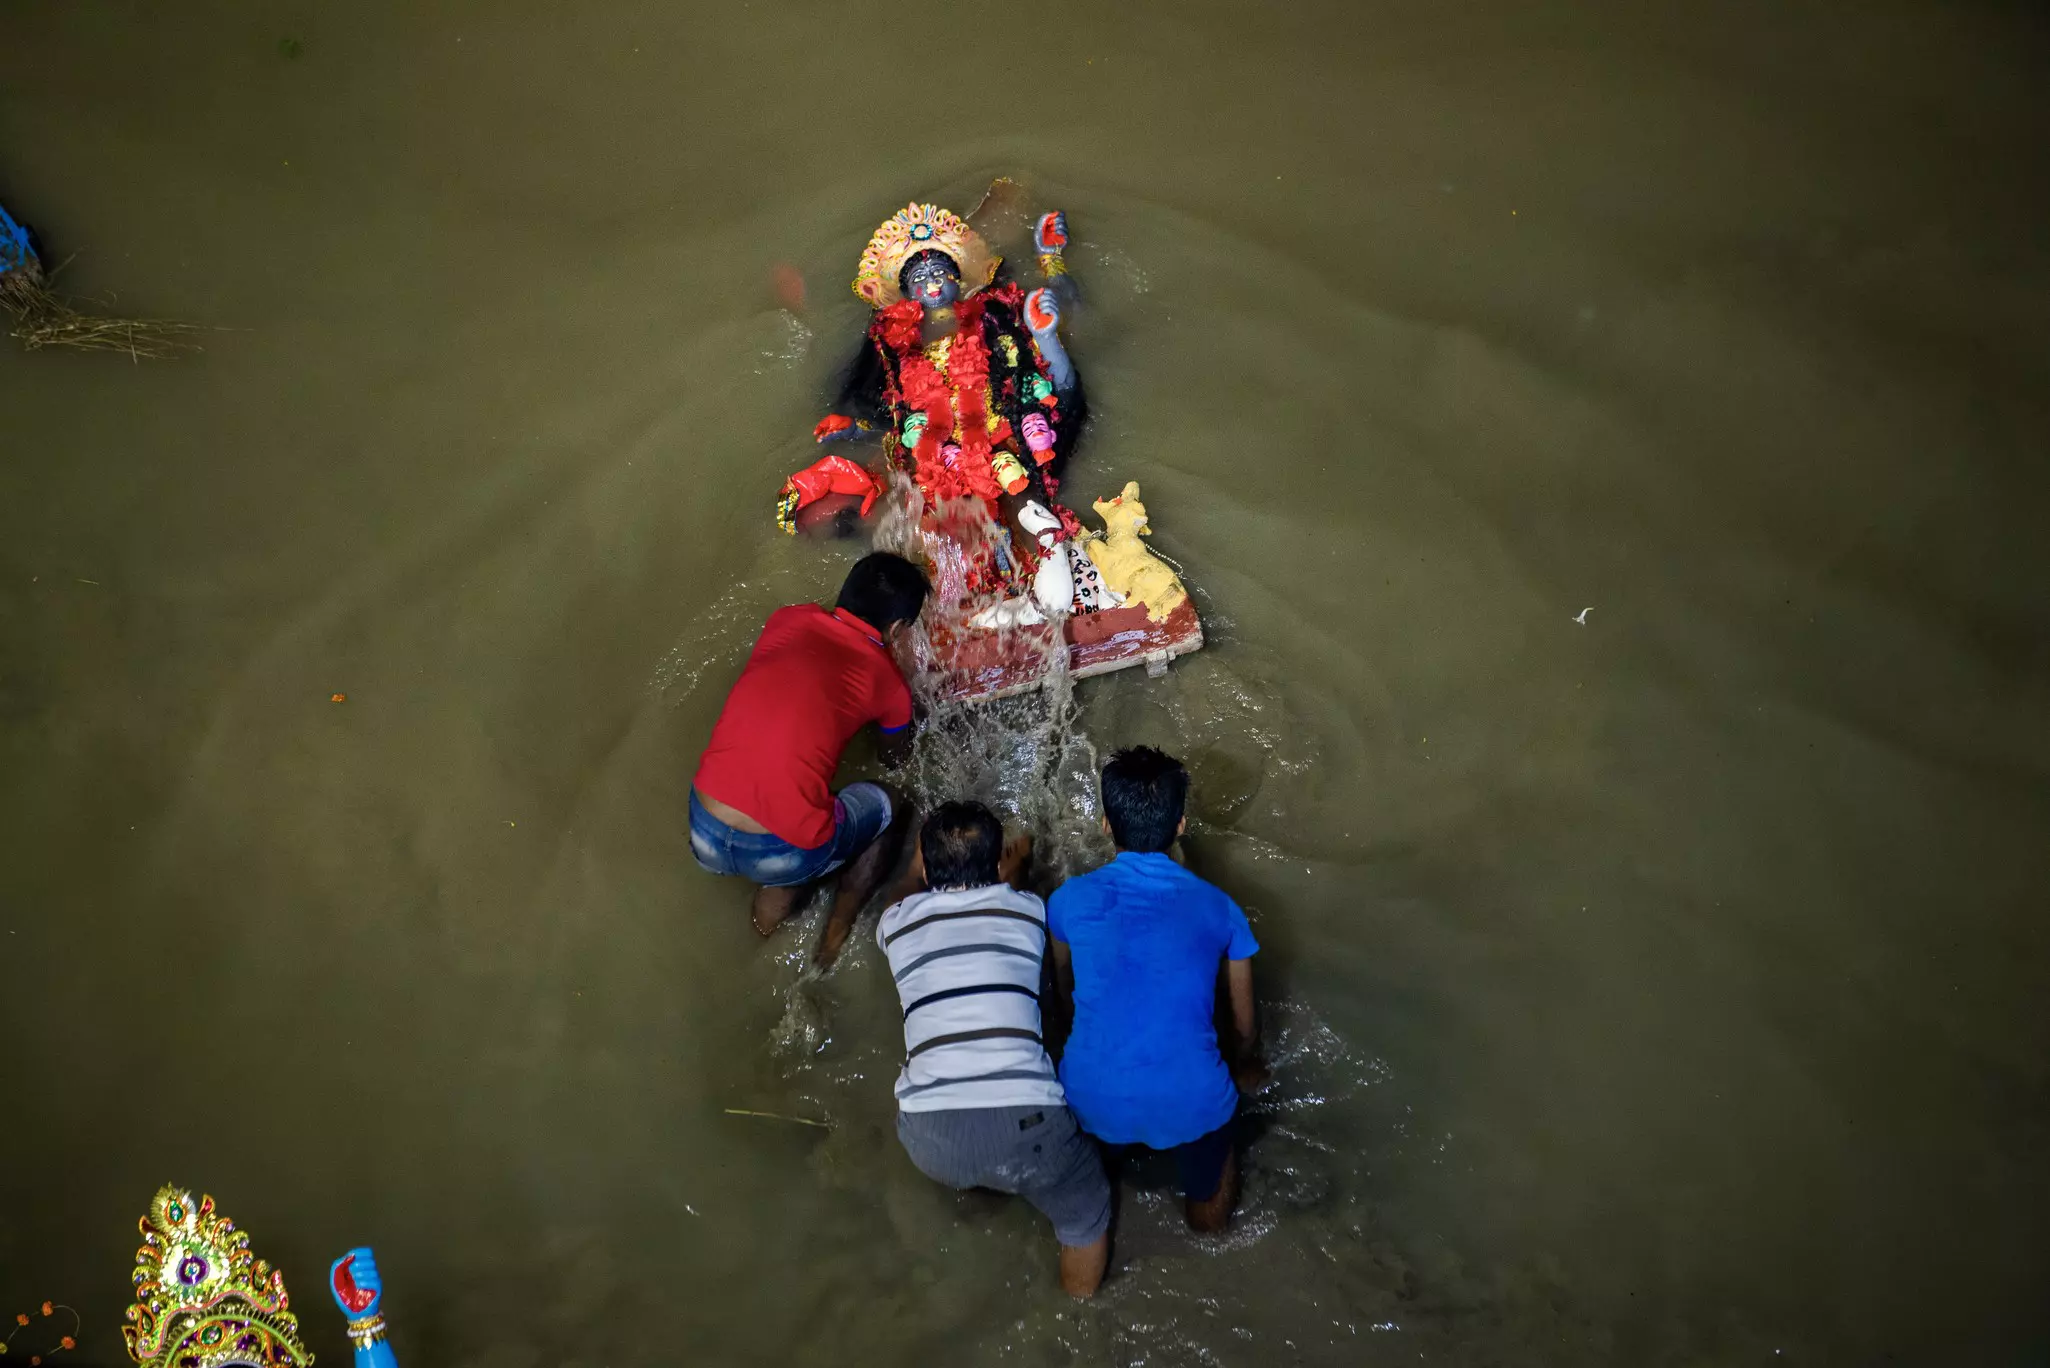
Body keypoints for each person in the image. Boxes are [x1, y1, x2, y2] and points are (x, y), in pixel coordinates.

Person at [879, 802, 1113, 1298]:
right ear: (996, 868)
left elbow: (905, 891)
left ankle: (981, 1186)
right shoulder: (1027, 912)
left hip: (929, 1141)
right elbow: (1009, 885)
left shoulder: (895, 926)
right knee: (1086, 1213)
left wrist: (914, 868)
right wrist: (1022, 852)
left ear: (923, 863)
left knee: (973, 1150)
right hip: (1029, 1130)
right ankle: (1080, 1312)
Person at [1048, 747, 1267, 1232]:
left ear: (1106, 824)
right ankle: (1204, 1209)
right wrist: (1245, 1064)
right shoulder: (1222, 908)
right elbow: (1244, 1025)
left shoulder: (1066, 902)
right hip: (1193, 1104)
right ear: (1182, 824)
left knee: (1095, 1169)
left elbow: (1063, 993)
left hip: (1090, 1098)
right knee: (1210, 1218)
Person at [690, 552, 928, 964]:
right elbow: (895, 758)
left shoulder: (786, 619)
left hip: (703, 826)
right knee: (895, 801)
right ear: (896, 628)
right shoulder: (887, 683)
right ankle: (838, 926)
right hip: (782, 851)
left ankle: (759, 941)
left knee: (783, 830)